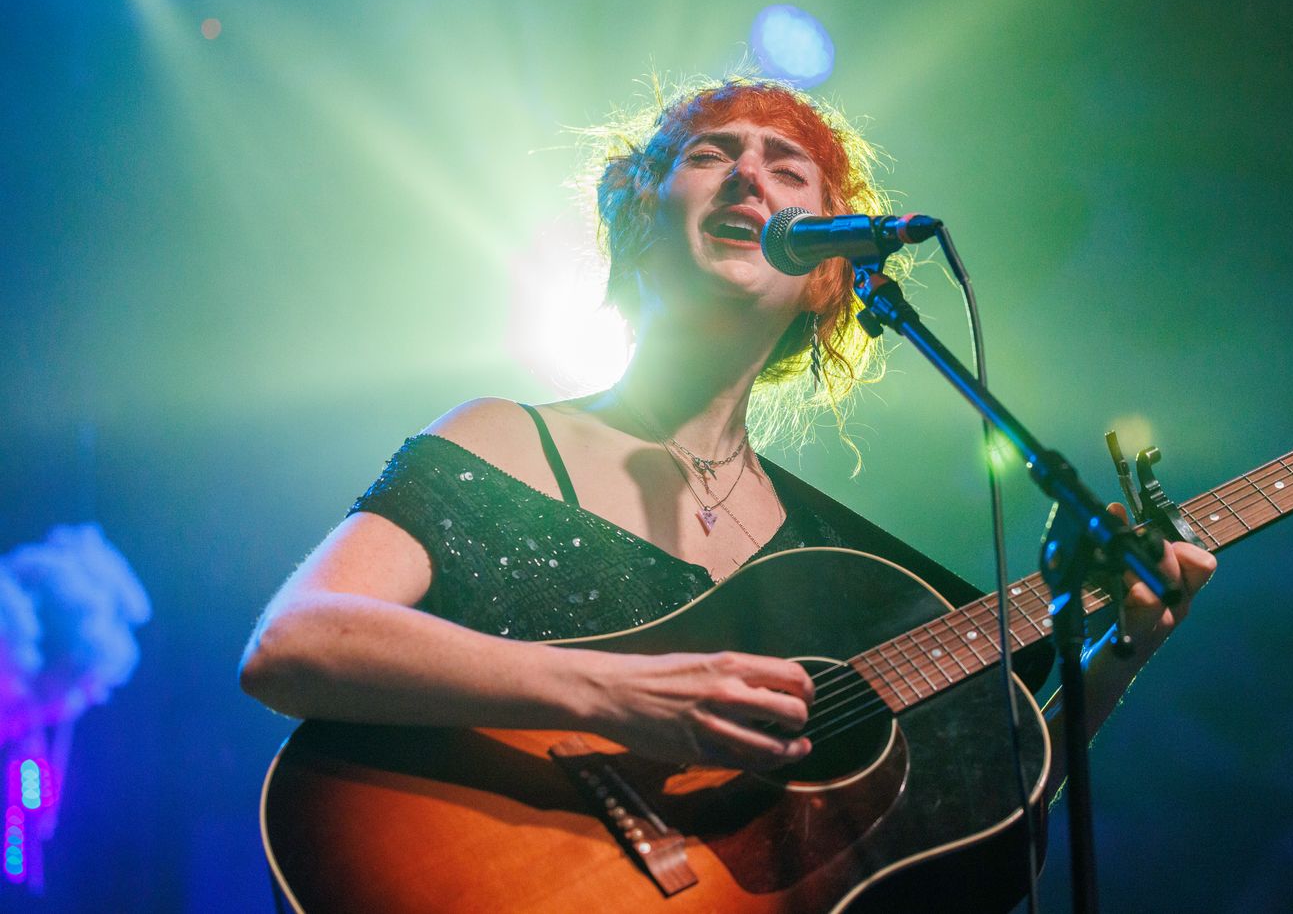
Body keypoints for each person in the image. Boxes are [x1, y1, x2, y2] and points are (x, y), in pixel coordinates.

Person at [239, 76, 1216, 786]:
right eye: (710, 154)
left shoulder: (828, 551)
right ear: (639, 216)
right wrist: (612, 694)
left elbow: (983, 812)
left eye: (789, 169)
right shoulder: (504, 438)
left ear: (828, 272)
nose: (750, 175)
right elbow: (294, 642)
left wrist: (1118, 652)